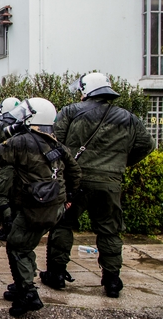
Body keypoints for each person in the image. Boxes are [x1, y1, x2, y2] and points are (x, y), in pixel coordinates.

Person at [41, 72, 155, 298]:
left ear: (86, 91)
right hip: (110, 183)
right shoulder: (129, 118)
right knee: (109, 231)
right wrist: (119, 163)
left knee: (63, 224)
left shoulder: (71, 111)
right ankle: (112, 281)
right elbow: (147, 145)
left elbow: (54, 143)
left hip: (76, 181)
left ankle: (57, 273)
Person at [0, 98, 81, 316]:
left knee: (17, 246)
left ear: (33, 117)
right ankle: (22, 283)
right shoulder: (55, 142)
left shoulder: (22, 141)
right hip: (55, 207)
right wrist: (68, 196)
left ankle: (28, 294)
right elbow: (75, 172)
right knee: (26, 245)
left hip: (35, 208)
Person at [0, 97, 21, 241]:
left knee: (0, 195)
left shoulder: (2, 124)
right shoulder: (22, 123)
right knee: (15, 198)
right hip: (21, 167)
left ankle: (8, 224)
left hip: (6, 166)